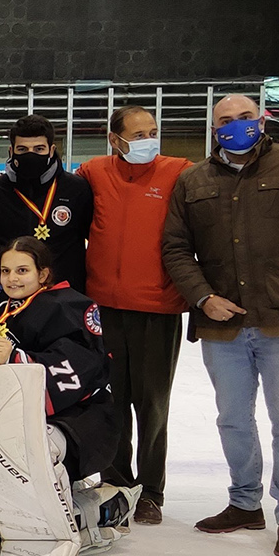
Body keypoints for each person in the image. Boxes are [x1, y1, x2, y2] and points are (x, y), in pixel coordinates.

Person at [162, 93, 279, 556]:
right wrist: (203, 296)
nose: (236, 126)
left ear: (261, 121)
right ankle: (244, 502)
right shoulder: (192, 180)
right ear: (213, 127)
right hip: (223, 326)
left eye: (245, 118)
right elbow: (176, 248)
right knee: (233, 419)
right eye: (226, 120)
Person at [0, 238, 133, 556]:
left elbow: (82, 368)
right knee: (4, 446)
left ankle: (82, 518)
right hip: (14, 413)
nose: (12, 279)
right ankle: (15, 515)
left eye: (23, 271)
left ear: (44, 274)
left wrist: (20, 360)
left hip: (82, 419)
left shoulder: (69, 305)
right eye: (6, 271)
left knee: (37, 446)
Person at [81, 105, 191, 526]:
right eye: (138, 133)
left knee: (152, 406)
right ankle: (115, 480)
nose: (148, 140)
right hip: (105, 309)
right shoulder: (94, 171)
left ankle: (151, 490)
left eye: (153, 131)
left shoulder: (179, 170)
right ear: (115, 139)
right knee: (110, 402)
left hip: (156, 311)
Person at [0, 114, 95, 293]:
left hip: (65, 294)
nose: (30, 155)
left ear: (51, 151)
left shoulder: (76, 188)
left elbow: (96, 243)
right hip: (12, 294)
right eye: (22, 149)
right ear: (11, 152)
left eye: (39, 149)